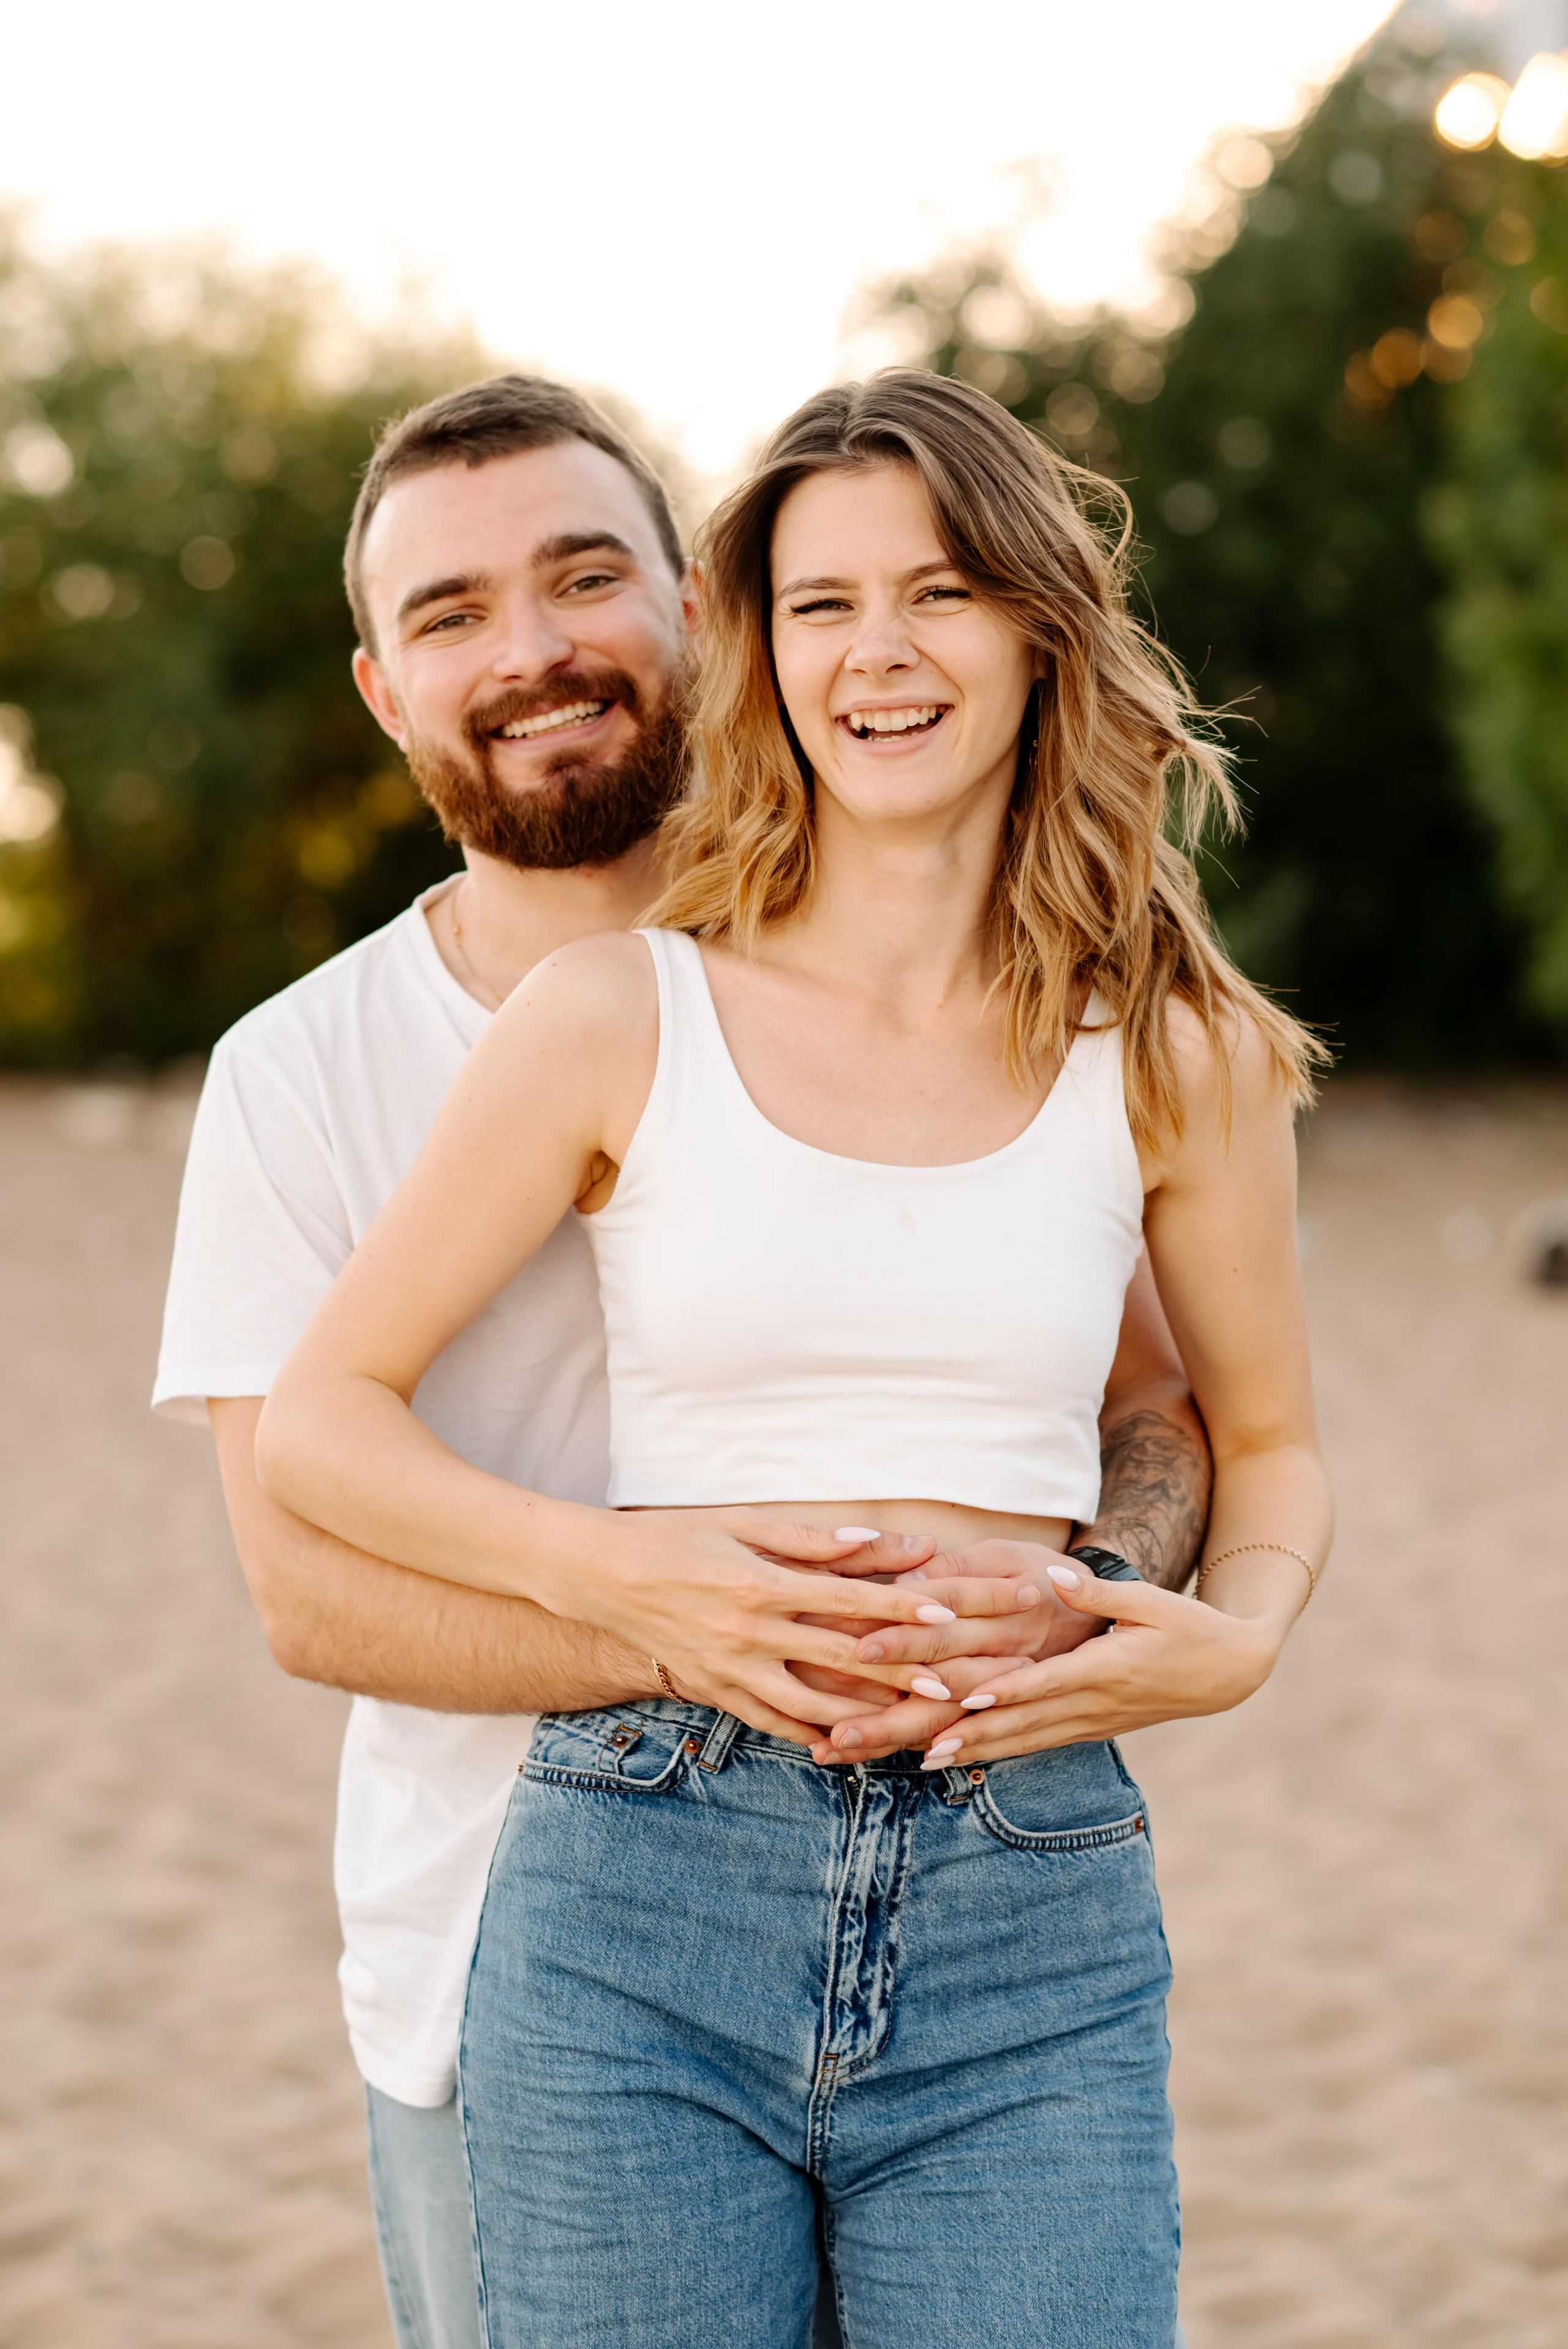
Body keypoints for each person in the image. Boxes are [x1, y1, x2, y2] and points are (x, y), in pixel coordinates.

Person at [256, 369, 1332, 2348]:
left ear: (1036, 626)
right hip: (638, 1879)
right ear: (759, 651)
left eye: (939, 590)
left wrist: (1234, 1633)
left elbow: (1259, 1438)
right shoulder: (610, 1016)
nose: (881, 653)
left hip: (1036, 1890)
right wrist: (628, 1583)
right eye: (822, 604)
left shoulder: (1177, 1049)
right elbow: (322, 1422)